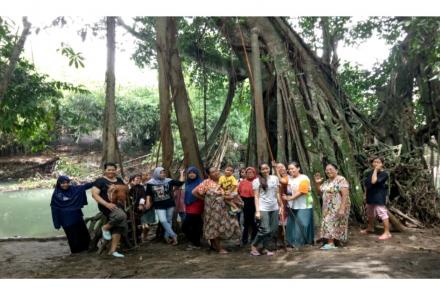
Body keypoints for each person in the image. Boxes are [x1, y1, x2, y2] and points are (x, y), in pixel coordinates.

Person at [192, 166, 241, 254]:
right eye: (213, 172)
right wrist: (205, 199)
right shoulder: (206, 182)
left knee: (228, 224)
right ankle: (219, 248)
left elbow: (230, 192)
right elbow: (194, 192)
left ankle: (214, 245)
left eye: (216, 171)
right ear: (209, 174)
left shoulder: (223, 180)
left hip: (224, 208)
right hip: (212, 210)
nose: (216, 173)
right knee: (214, 227)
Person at [92, 163, 128, 258]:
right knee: (121, 216)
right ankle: (105, 228)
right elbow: (94, 195)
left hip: (119, 205)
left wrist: (127, 184)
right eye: (109, 170)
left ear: (116, 170)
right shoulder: (100, 181)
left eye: (113, 169)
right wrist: (106, 204)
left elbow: (125, 190)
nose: (111, 171)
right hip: (107, 206)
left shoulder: (119, 180)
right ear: (105, 170)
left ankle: (113, 251)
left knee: (119, 227)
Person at [50, 176, 93, 254]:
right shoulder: (56, 195)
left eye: (67, 183)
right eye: (63, 183)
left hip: (78, 218)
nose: (65, 185)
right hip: (66, 221)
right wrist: (56, 223)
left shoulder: (74, 189)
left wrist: (98, 182)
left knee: (84, 235)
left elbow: (84, 187)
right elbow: (54, 210)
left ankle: (86, 250)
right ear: (59, 184)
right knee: (73, 237)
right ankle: (76, 253)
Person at [314, 163, 351, 250]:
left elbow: (345, 194)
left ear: (336, 170)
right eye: (327, 170)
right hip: (328, 207)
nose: (328, 171)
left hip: (338, 206)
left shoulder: (341, 179)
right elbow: (320, 192)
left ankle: (331, 243)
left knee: (331, 222)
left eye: (331, 169)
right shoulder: (327, 182)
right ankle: (334, 241)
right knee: (329, 222)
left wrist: (342, 208)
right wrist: (318, 184)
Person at [145, 167, 184, 246]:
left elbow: (180, 183)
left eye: (164, 172)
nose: (163, 174)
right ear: (156, 173)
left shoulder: (168, 181)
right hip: (159, 205)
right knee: (163, 220)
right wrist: (148, 202)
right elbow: (148, 194)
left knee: (169, 220)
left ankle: (166, 236)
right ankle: (174, 235)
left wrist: (182, 173)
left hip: (169, 204)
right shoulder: (150, 183)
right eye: (161, 172)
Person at [250, 163, 283, 256]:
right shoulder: (256, 181)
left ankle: (264, 248)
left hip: (274, 207)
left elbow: (277, 193)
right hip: (263, 208)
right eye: (263, 169)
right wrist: (257, 211)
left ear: (269, 169)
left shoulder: (274, 178)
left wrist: (281, 205)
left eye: (267, 168)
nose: (265, 170)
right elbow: (256, 197)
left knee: (273, 230)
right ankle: (254, 245)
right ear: (260, 170)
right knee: (265, 229)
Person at [282, 162, 314, 247]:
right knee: (293, 224)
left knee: (303, 224)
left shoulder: (304, 178)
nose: (290, 170)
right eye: (289, 169)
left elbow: (302, 191)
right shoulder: (289, 178)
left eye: (292, 168)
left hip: (304, 205)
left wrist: (290, 198)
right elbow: (281, 180)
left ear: (298, 168)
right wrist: (275, 169)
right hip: (293, 205)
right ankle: (292, 242)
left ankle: (302, 242)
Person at [361, 157, 392, 240]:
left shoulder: (384, 174)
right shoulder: (370, 172)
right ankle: (370, 228)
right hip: (370, 195)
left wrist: (375, 170)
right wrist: (365, 195)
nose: (376, 164)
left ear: (382, 164)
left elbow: (374, 181)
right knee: (370, 213)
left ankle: (387, 232)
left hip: (379, 196)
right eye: (374, 162)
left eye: (378, 162)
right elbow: (368, 184)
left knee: (382, 213)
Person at [181, 166, 204, 249]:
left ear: (197, 174)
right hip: (188, 205)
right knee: (194, 225)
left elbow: (203, 194)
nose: (191, 174)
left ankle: (195, 242)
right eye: (190, 173)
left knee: (186, 226)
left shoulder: (201, 182)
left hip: (197, 205)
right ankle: (196, 243)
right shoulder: (187, 182)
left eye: (193, 173)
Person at [237, 167, 258, 245]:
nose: (249, 174)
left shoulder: (257, 181)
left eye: (251, 172)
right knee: (246, 222)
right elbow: (238, 192)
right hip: (245, 202)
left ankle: (254, 238)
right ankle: (244, 239)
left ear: (254, 173)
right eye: (248, 172)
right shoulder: (242, 182)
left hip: (254, 202)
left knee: (254, 222)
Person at [128, 174, 148, 242]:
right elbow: (128, 197)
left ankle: (139, 238)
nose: (138, 180)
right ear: (133, 180)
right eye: (137, 179)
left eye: (139, 179)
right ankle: (132, 238)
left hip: (139, 208)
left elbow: (143, 196)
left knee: (139, 223)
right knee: (133, 223)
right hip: (131, 208)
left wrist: (141, 204)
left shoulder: (141, 187)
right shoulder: (130, 187)